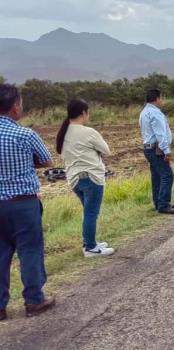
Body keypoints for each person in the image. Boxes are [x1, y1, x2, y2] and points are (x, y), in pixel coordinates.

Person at [0, 84, 56, 320]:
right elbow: (47, 160)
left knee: (1, 253)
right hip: (23, 203)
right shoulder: (25, 134)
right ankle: (34, 300)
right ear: (15, 107)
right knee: (30, 250)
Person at [56, 99, 115, 258]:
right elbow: (106, 150)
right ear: (83, 112)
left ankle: (90, 242)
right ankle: (90, 248)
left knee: (88, 212)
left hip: (74, 180)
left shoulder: (64, 132)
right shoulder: (88, 132)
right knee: (91, 213)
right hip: (91, 178)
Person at [139, 89, 174, 215]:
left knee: (157, 176)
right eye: (161, 98)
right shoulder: (155, 113)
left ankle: (158, 202)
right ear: (157, 99)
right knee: (167, 175)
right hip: (157, 149)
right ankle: (164, 204)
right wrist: (166, 150)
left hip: (148, 148)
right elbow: (160, 133)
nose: (162, 100)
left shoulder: (144, 112)